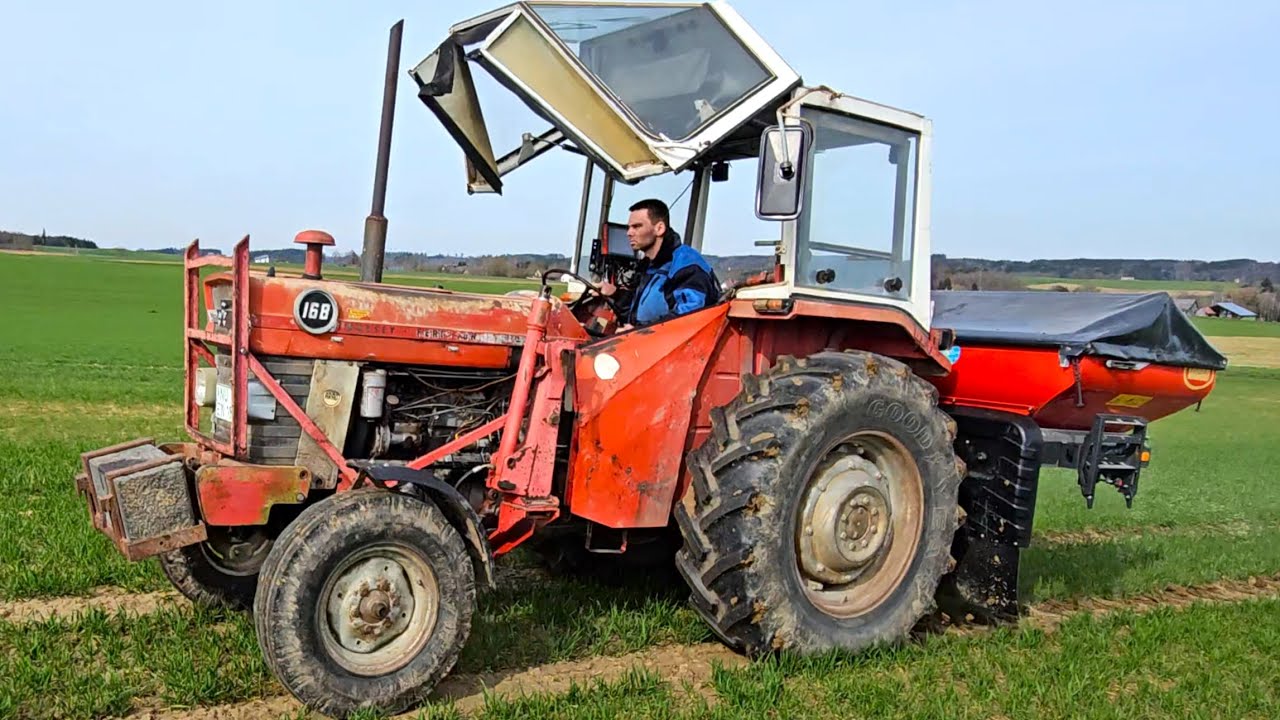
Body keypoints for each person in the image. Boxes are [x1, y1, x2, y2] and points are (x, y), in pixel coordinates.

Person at [600, 198, 720, 329]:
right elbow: (637, 314)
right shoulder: (648, 266)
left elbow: (689, 317)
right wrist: (616, 295)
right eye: (629, 227)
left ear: (659, 228)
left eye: (637, 226)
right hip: (642, 342)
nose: (629, 233)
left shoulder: (686, 264)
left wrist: (641, 332)